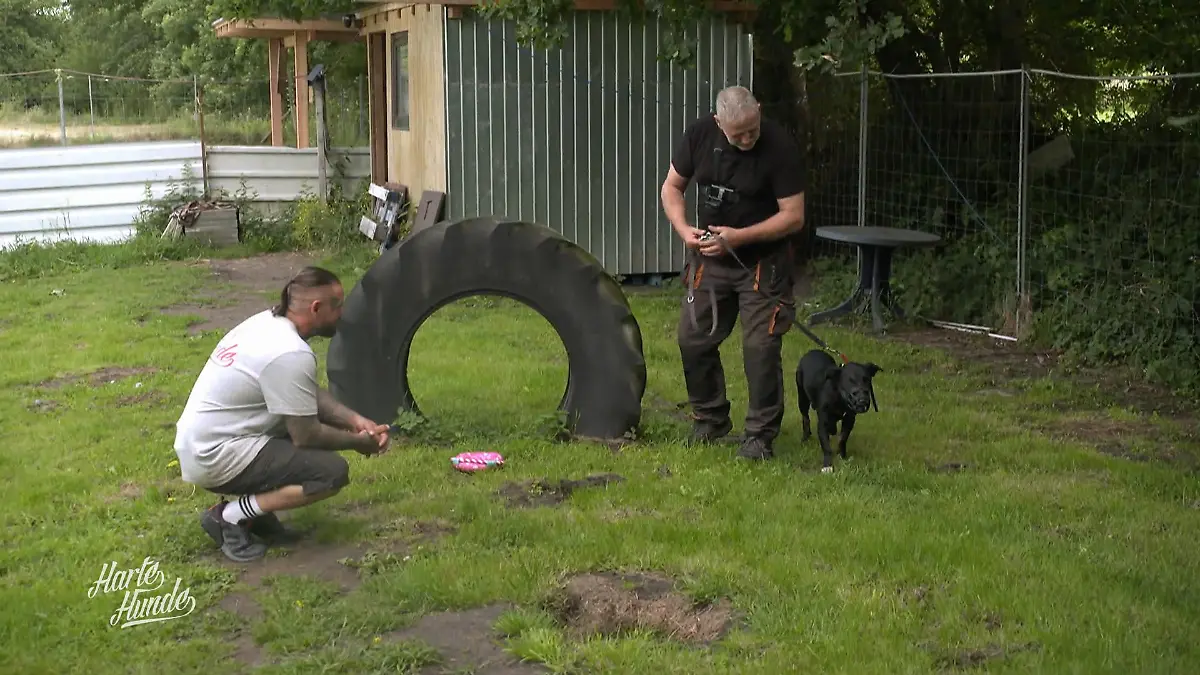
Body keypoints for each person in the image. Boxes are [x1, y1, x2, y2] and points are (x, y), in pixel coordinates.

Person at [173, 266, 391, 562]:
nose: (342, 314)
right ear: (316, 308)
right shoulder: (289, 353)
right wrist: (358, 443)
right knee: (329, 473)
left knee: (294, 445)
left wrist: (353, 420)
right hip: (215, 456)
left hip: (204, 443)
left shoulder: (266, 324)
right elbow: (306, 435)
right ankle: (230, 517)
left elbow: (302, 391)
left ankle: (255, 514)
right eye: (337, 305)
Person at [660, 85, 807, 460]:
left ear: (759, 110)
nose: (747, 138)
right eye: (737, 133)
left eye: (752, 129)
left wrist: (739, 238)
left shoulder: (780, 147)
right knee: (693, 339)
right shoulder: (698, 135)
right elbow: (672, 188)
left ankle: (759, 435)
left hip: (762, 261)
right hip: (710, 258)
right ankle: (709, 418)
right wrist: (684, 231)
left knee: (760, 347)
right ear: (718, 123)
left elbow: (793, 216)